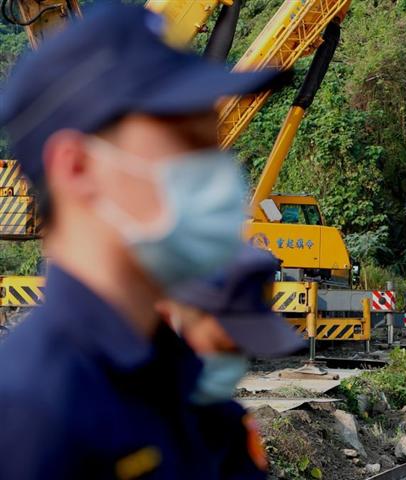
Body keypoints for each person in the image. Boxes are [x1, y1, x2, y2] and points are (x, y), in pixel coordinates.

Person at [0, 4, 287, 478]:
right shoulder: (31, 413)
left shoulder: (185, 390)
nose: (219, 175)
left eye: (214, 146)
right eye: (186, 144)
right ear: (77, 168)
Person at [160, 246, 305, 479]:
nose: (233, 362)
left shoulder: (229, 424)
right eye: (223, 346)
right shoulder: (103, 409)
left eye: (244, 349)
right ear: (171, 315)